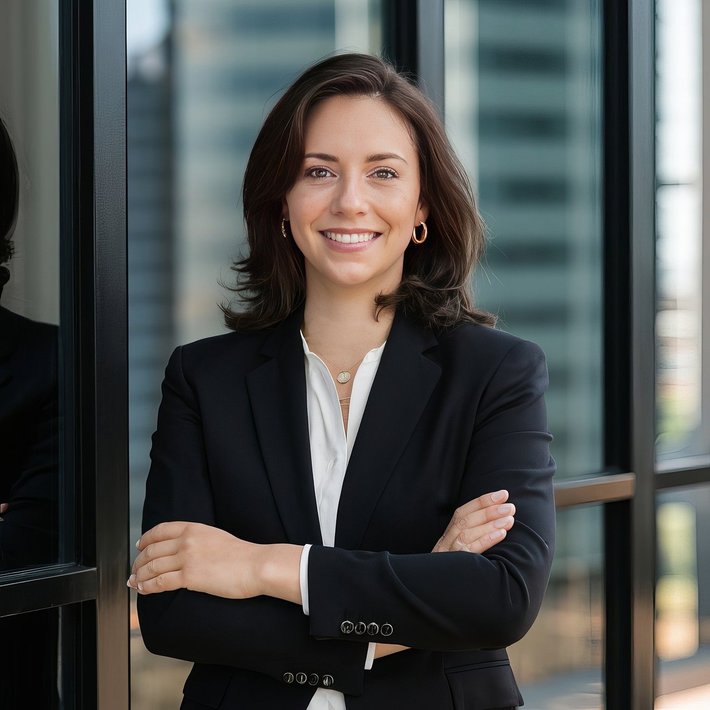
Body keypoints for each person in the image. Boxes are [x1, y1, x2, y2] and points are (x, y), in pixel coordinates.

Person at [131, 53, 555, 710]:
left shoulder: (496, 373)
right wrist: (418, 597)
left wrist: (258, 567)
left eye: (383, 173)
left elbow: (501, 600)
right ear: (282, 203)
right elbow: (173, 615)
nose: (349, 200)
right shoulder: (203, 378)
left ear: (422, 210)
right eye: (319, 172)